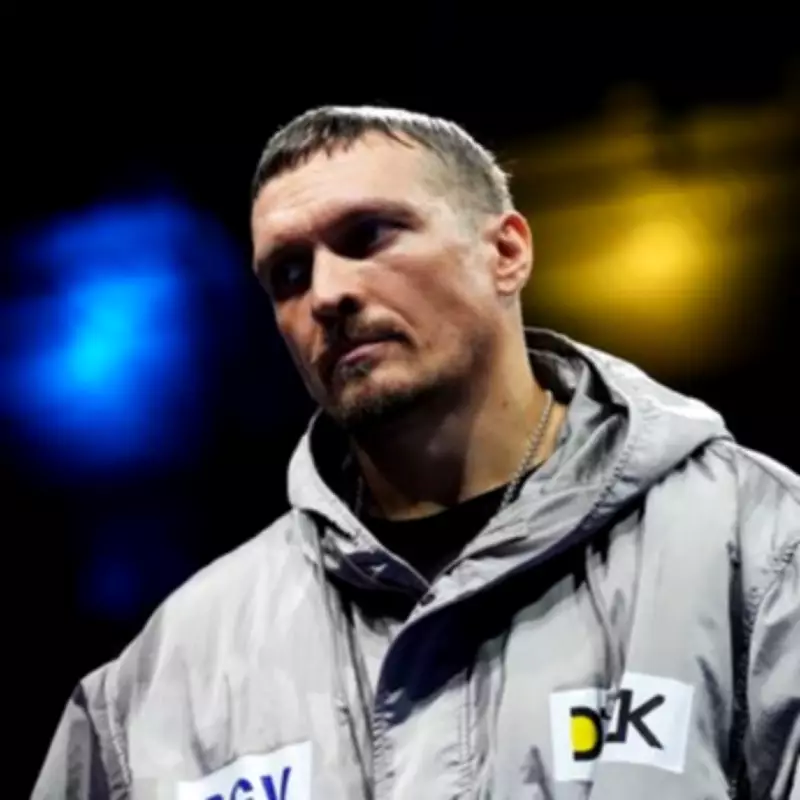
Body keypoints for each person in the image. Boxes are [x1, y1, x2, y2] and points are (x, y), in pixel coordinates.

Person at [34, 106, 798, 800]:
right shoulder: (164, 679)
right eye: (289, 274)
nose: (326, 295)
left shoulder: (757, 548)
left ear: (506, 252)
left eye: (368, 236)